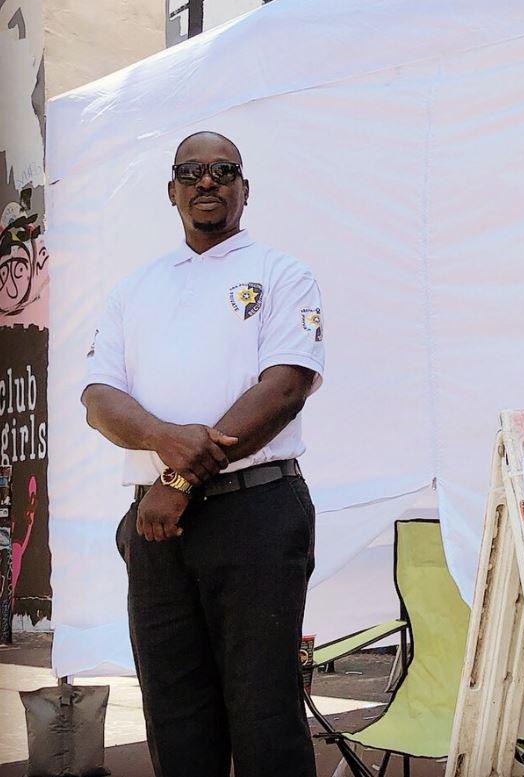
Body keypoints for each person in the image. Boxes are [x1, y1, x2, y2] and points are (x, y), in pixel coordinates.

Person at [81, 131, 323, 777]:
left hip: (257, 512)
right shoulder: (135, 289)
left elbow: (285, 387)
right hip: (156, 530)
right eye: (191, 171)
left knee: (264, 711)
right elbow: (99, 398)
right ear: (172, 191)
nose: (206, 181)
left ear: (245, 187)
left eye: (223, 169)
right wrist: (164, 439)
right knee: (175, 715)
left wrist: (179, 477)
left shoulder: (282, 273)